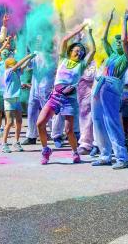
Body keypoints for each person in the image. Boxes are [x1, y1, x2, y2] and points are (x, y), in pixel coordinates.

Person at [37, 21, 95, 165]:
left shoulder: (81, 65)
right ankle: (46, 150)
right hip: (55, 96)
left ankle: (75, 153)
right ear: (70, 51)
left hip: (69, 100)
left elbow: (93, 51)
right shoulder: (62, 60)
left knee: (68, 130)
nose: (79, 52)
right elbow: (64, 40)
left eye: (81, 52)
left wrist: (89, 34)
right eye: (76, 50)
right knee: (40, 123)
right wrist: (79, 29)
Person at [92, 9, 128, 169]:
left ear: (127, 46)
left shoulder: (125, 58)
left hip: (111, 87)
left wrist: (124, 21)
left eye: (121, 42)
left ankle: (122, 157)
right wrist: (109, 19)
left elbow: (124, 40)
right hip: (100, 86)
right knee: (98, 120)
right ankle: (105, 155)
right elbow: (103, 38)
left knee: (112, 121)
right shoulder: (111, 55)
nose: (117, 43)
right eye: (116, 41)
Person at [22, 37, 56, 146]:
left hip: (46, 87)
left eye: (40, 41)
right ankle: (31, 135)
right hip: (35, 87)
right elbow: (27, 67)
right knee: (32, 111)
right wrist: (28, 53)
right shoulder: (36, 54)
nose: (37, 43)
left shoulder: (53, 56)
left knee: (47, 112)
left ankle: (56, 134)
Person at [0, 53, 36, 153]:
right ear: (9, 65)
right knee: (10, 122)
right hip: (8, 99)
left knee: (19, 122)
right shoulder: (8, 71)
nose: (16, 64)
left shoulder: (16, 72)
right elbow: (19, 65)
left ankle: (16, 142)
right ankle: (4, 143)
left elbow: (23, 66)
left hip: (16, 99)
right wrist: (28, 56)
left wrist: (31, 58)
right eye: (14, 63)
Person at [77, 59, 97, 154]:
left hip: (97, 86)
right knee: (85, 116)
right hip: (83, 90)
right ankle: (86, 143)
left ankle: (95, 144)